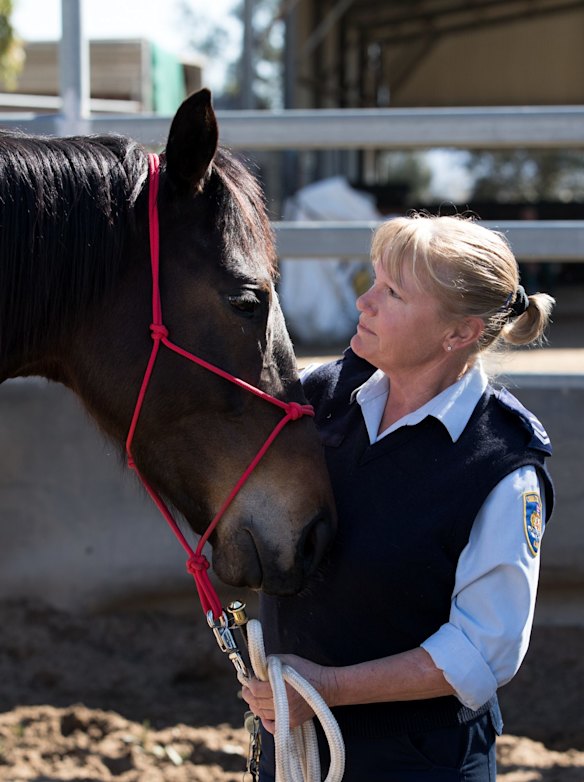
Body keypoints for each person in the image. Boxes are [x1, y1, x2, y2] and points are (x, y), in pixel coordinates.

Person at [242, 213, 556, 781]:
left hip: (417, 761)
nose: (364, 303)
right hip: (292, 747)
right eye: (373, 280)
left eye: (392, 293)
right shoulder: (318, 398)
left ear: (458, 334)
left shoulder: (502, 466)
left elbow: (482, 651)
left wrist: (328, 687)